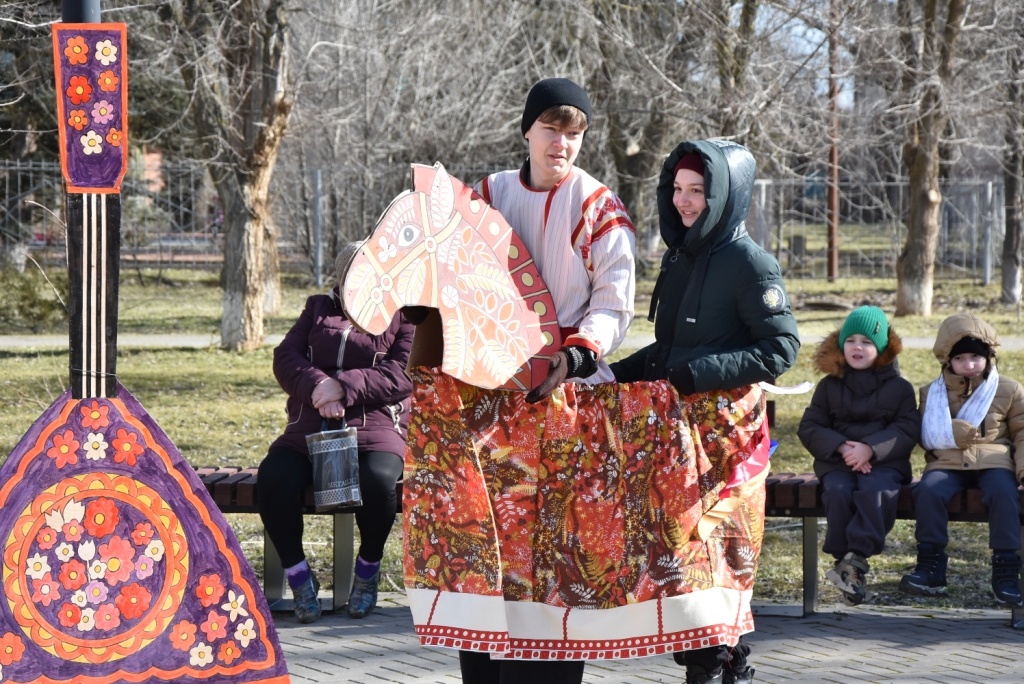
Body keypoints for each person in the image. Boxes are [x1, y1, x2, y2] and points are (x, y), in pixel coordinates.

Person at [448, 76, 636, 684]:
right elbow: (452, 274)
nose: (563, 142)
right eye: (553, 128)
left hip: (568, 395)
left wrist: (577, 355)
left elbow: (614, 301)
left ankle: (553, 673)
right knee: (485, 543)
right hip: (491, 396)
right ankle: (480, 668)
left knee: (560, 551)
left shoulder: (598, 204)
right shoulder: (487, 195)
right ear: (528, 130)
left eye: (576, 132)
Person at [609, 141, 800, 684]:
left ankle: (715, 663)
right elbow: (669, 353)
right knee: (687, 563)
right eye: (678, 189)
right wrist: (610, 374)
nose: (686, 202)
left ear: (725, 197)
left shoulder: (751, 263)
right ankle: (724, 660)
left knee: (714, 559)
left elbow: (782, 349)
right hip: (676, 438)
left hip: (727, 443)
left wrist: (700, 375)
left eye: (698, 191)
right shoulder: (678, 257)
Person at [257, 243, 415, 623]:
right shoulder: (317, 308)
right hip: (309, 428)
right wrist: (318, 388)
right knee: (273, 479)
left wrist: (344, 387)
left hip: (375, 428)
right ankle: (299, 576)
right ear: (341, 279)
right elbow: (285, 357)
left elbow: (404, 371)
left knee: (378, 482)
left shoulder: (404, 316)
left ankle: (368, 569)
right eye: (356, 277)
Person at [899, 312, 1024, 607]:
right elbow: (925, 435)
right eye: (960, 359)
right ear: (947, 361)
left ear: (988, 357)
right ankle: (930, 567)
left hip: (995, 461)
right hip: (947, 462)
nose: (969, 365)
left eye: (975, 357)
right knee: (929, 491)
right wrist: (947, 434)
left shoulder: (1008, 389)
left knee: (1003, 493)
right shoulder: (932, 392)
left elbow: (1022, 433)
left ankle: (1006, 569)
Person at [797, 306, 920, 606]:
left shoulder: (900, 388)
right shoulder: (829, 386)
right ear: (841, 345)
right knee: (838, 491)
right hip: (837, 462)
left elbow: (906, 429)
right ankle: (847, 563)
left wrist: (870, 449)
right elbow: (811, 425)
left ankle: (855, 561)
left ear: (881, 349)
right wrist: (842, 447)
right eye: (850, 340)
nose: (857, 347)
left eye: (866, 342)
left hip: (883, 463)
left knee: (876, 491)